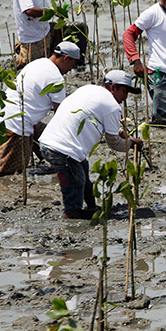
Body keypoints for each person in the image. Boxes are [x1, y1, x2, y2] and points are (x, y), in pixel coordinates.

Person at [39, 70, 142, 219]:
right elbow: (113, 142)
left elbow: (93, 116)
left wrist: (119, 131)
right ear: (113, 87)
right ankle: (72, 215)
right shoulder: (113, 106)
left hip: (48, 141)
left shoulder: (88, 89)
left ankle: (92, 207)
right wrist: (131, 145)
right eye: (124, 91)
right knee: (75, 185)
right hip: (63, 149)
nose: (125, 97)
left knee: (83, 170)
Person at [0, 42, 81, 176]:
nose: (71, 69)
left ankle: (53, 161)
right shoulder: (56, 79)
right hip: (17, 124)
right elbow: (61, 115)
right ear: (66, 59)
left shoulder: (39, 63)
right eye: (72, 64)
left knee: (48, 137)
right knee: (8, 172)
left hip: (6, 113)